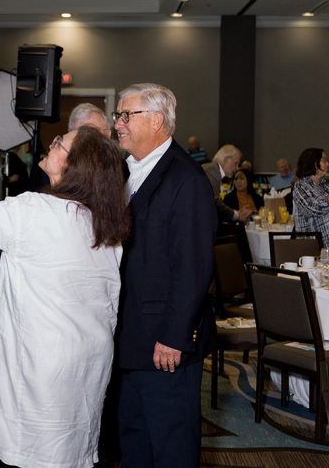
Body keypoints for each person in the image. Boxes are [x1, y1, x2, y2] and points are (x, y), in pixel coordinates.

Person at [0, 126, 130, 468]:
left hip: (42, 359)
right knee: (72, 447)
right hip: (90, 356)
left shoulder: (34, 210)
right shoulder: (104, 223)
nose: (51, 143)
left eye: (60, 143)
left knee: (34, 449)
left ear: (73, 164)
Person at [113, 83, 217, 468]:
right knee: (135, 438)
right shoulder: (126, 170)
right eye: (118, 115)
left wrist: (174, 336)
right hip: (131, 336)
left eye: (127, 115)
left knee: (171, 444)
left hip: (165, 343)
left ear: (157, 120)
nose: (118, 124)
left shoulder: (186, 179)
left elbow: (193, 266)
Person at [292, 148, 329, 249]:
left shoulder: (324, 183)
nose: (328, 164)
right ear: (314, 163)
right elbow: (313, 209)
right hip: (316, 247)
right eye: (324, 160)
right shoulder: (301, 186)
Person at [202, 144, 253, 225]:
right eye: (236, 164)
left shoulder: (211, 169)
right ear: (226, 159)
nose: (237, 168)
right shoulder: (212, 172)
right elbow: (215, 204)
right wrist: (237, 215)